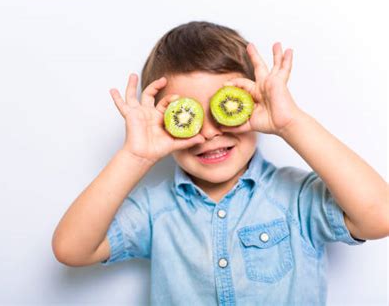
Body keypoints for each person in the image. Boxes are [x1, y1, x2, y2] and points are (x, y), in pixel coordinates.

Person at [52, 21, 388, 305]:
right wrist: (134, 156)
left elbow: (379, 217)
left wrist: (291, 123)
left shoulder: (296, 198)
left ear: (253, 103)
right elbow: (72, 250)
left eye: (223, 108)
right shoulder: (155, 210)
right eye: (186, 116)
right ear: (162, 119)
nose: (210, 133)